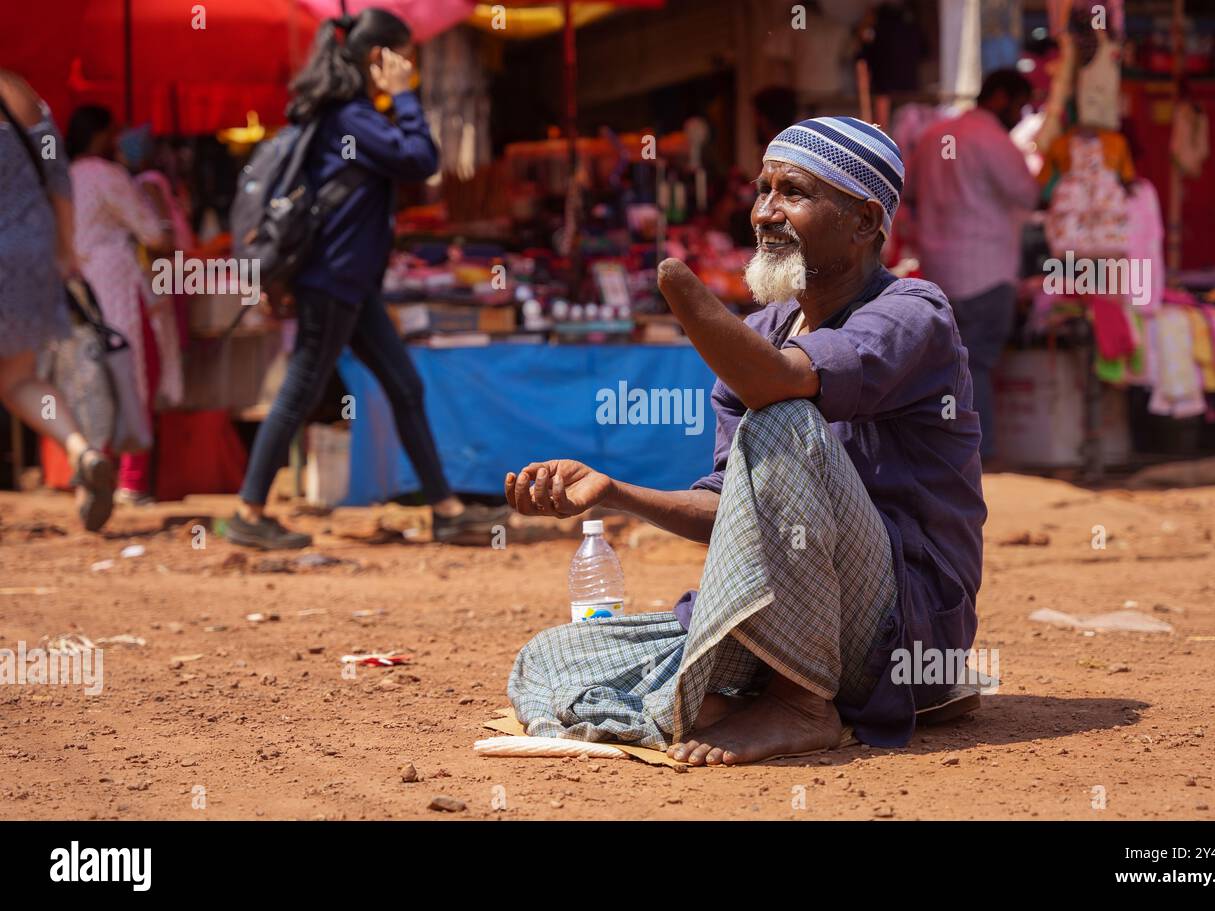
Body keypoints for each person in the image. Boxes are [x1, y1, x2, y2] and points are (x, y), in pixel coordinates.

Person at [504, 118, 986, 765]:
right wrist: (614, 491)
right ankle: (731, 693)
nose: (765, 212)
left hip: (905, 633)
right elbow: (731, 509)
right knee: (551, 655)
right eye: (763, 190)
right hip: (801, 621)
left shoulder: (913, 313)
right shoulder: (762, 331)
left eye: (792, 192)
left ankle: (798, 704)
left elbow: (780, 385)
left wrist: (686, 294)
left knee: (781, 418)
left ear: (866, 220)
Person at [226, 8, 503, 550]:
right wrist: (401, 96)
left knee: (404, 385)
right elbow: (421, 158)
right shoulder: (350, 118)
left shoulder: (347, 116)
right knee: (299, 392)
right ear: (380, 59)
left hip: (352, 284)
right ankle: (248, 511)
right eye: (405, 58)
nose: (411, 68)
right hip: (333, 279)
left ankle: (445, 509)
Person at [0, 71, 115, 530]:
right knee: (17, 379)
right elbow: (57, 175)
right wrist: (66, 246)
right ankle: (81, 451)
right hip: (31, 248)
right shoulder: (22, 94)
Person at [907, 69, 1038, 465]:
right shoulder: (994, 141)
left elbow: (907, 192)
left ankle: (947, 456)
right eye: (1018, 105)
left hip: (939, 273)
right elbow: (1028, 194)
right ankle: (978, 458)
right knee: (975, 365)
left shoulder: (933, 136)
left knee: (948, 368)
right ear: (998, 97)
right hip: (986, 272)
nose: (1021, 115)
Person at [67, 104, 180, 505]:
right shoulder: (109, 176)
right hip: (114, 281)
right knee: (132, 373)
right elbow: (155, 237)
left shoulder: (59, 177)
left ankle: (89, 466)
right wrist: (164, 214)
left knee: (85, 378)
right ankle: (131, 480)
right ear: (101, 136)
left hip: (73, 290)